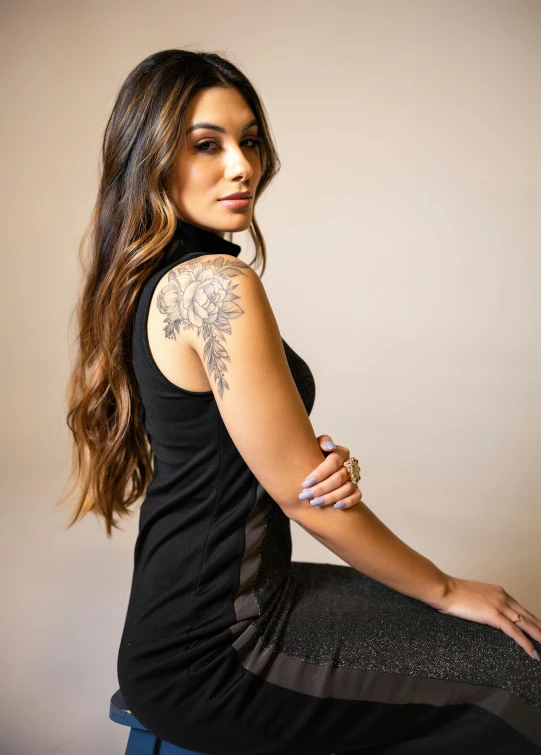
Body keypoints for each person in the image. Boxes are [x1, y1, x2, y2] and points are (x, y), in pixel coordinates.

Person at [60, 49, 541, 755]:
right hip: (218, 649)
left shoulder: (159, 277)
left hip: (217, 610)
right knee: (517, 673)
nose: (241, 166)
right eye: (205, 145)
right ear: (151, 157)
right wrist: (443, 587)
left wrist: (300, 456)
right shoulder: (217, 285)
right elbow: (302, 500)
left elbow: (231, 457)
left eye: (248, 140)